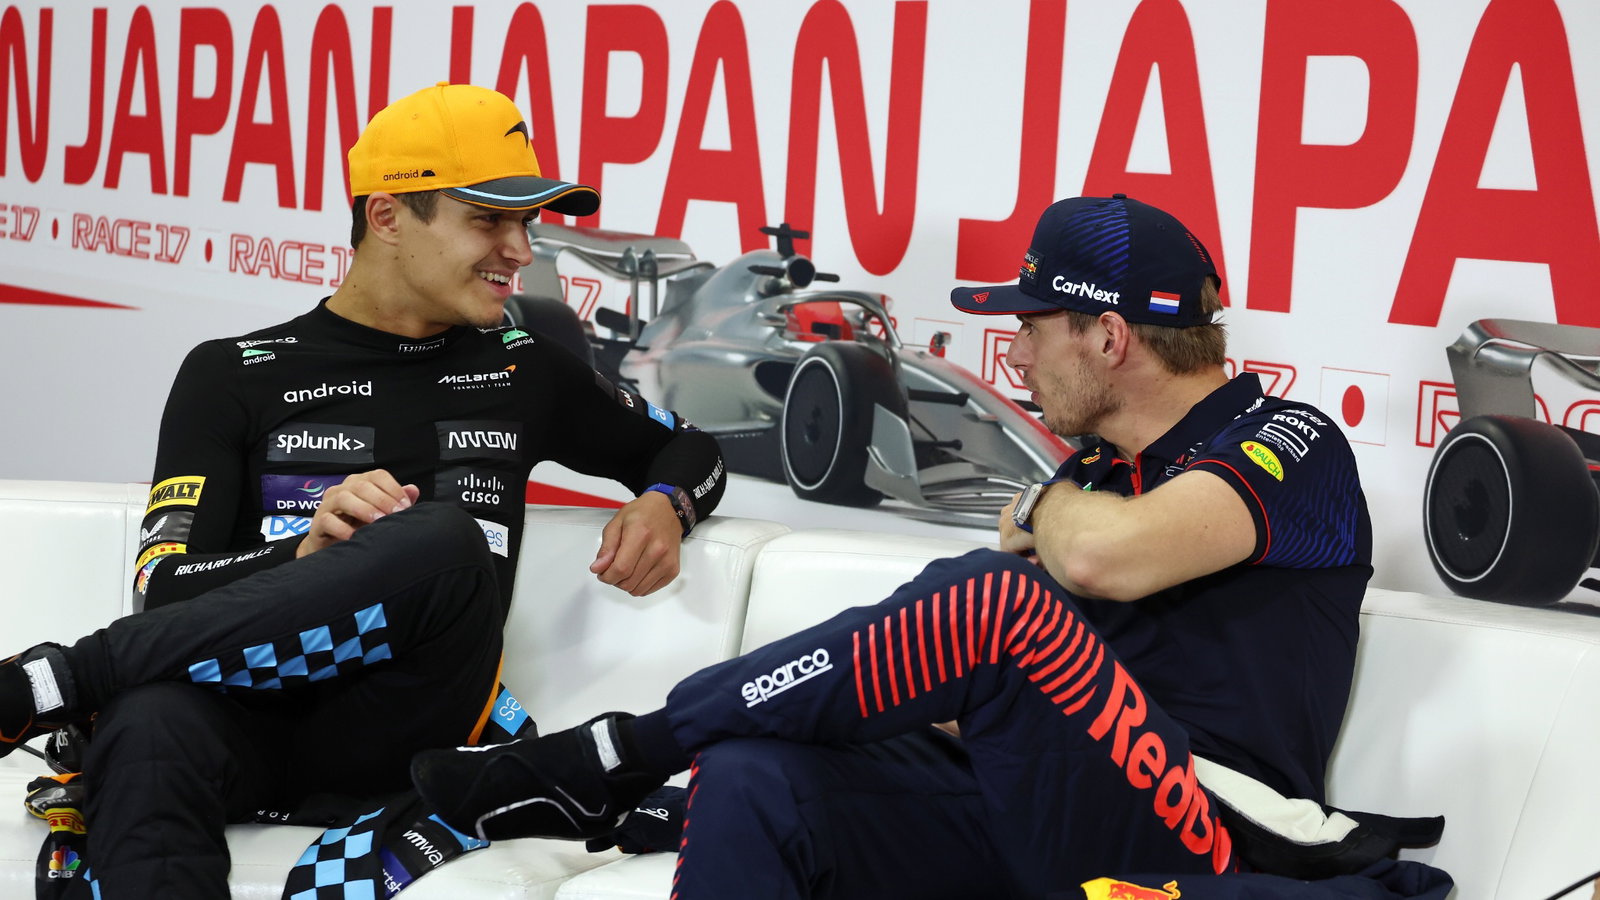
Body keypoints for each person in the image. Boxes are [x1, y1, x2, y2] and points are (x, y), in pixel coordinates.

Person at [409, 195, 1443, 899]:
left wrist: (1042, 521)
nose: (1018, 352)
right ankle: (656, 767)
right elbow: (1003, 661)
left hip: (1207, 824)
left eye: (1033, 326)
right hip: (1047, 805)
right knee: (754, 778)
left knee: (996, 597)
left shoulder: (1289, 443)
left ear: (1109, 339)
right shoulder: (1086, 474)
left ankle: (614, 754)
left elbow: (1102, 560)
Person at [0, 82, 725, 899]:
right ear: (387, 218)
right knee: (143, 723)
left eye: (526, 223)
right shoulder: (229, 373)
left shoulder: (525, 368)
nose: (521, 250)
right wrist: (302, 552)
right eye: (488, 219)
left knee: (443, 540)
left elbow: (692, 450)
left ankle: (44, 685)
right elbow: (164, 590)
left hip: (410, 722)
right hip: (240, 719)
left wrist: (666, 501)